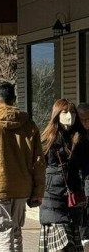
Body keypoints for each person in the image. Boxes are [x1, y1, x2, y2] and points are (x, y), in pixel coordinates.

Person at [0, 82, 44, 252]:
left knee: (3, 232)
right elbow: (39, 160)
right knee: (16, 232)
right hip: (22, 187)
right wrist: (38, 191)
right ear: (14, 99)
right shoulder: (29, 123)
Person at [39, 98, 89, 251]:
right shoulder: (47, 140)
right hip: (52, 199)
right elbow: (36, 167)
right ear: (57, 114)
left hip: (73, 199)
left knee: (71, 245)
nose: (70, 116)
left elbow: (86, 168)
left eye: (73, 113)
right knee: (62, 245)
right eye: (65, 112)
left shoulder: (80, 139)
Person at [78, 102, 89, 247]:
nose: (85, 123)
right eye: (82, 119)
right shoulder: (74, 135)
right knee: (82, 210)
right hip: (80, 178)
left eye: (87, 119)